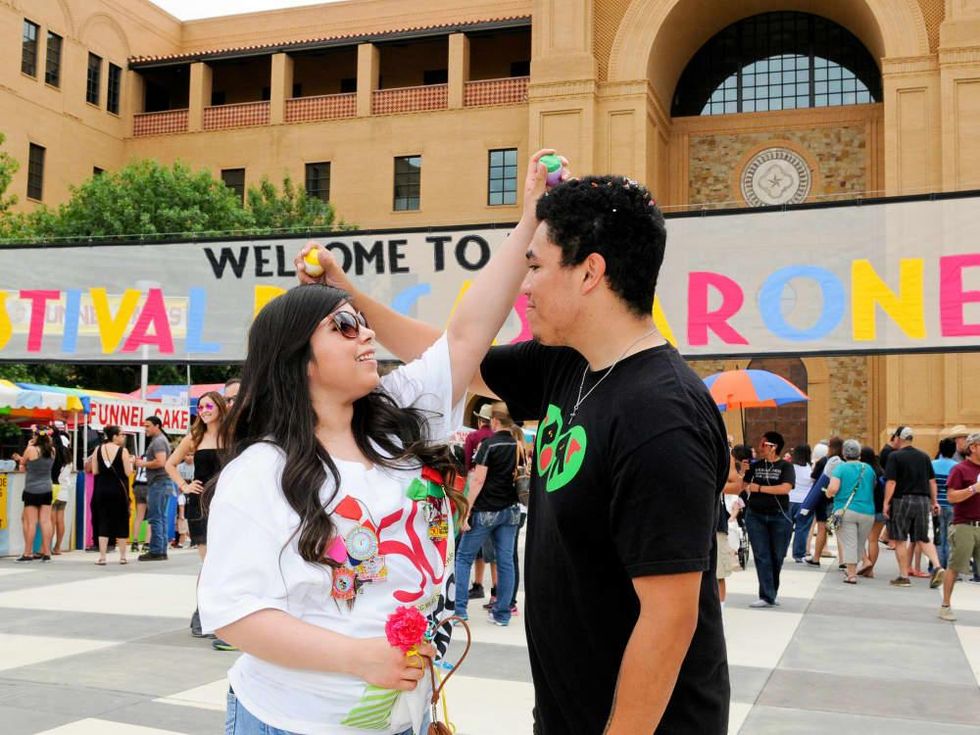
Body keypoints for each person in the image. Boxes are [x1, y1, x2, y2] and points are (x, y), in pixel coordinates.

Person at [300, 171, 731, 733]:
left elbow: (670, 619)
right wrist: (346, 295)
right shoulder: (568, 362)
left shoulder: (661, 416)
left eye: (535, 266)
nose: (524, 288)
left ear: (590, 273)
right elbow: (453, 355)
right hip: (566, 712)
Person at [199, 150, 562, 735]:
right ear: (298, 358)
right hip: (295, 721)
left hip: (405, 717)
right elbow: (234, 615)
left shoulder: (402, 421)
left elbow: (468, 331)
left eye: (360, 321)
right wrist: (359, 657)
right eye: (342, 326)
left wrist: (528, 220)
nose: (366, 333)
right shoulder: (261, 472)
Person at [165, 391, 228, 641]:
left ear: (220, 407)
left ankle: (220, 616)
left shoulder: (234, 433)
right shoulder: (195, 436)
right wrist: (184, 485)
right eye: (200, 406)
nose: (203, 410)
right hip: (201, 504)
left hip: (228, 504)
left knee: (227, 563)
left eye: (208, 405)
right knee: (210, 563)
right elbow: (170, 463)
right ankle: (204, 614)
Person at [454, 401, 521, 626]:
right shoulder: (518, 445)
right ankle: (502, 614)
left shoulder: (488, 445)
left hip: (486, 509)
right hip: (511, 510)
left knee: (463, 558)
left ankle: (460, 611)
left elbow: (478, 480)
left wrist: (466, 510)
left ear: (494, 421)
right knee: (506, 562)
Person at [883, 426, 945, 588]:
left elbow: (891, 482)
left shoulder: (894, 456)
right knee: (922, 537)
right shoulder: (924, 456)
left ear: (898, 438)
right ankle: (937, 566)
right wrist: (934, 501)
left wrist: (886, 503)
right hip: (923, 500)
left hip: (902, 499)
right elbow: (932, 481)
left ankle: (904, 576)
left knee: (900, 539)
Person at [743, 431, 795, 608]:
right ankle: (766, 595)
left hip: (779, 516)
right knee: (761, 555)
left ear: (773, 447)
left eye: (763, 444)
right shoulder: (755, 466)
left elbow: (785, 488)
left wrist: (759, 488)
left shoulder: (786, 467)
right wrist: (743, 471)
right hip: (755, 515)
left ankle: (771, 592)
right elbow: (742, 486)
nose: (760, 447)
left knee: (777, 556)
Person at [939, 433, 980, 621]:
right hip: (964, 524)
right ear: (973, 447)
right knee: (955, 566)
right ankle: (945, 605)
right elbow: (951, 497)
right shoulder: (960, 470)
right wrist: (973, 489)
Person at [826, 440, 875, 584]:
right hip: (868, 511)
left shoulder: (840, 469)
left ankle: (852, 574)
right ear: (859, 453)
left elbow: (833, 489)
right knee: (859, 542)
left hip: (845, 510)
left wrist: (828, 493)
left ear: (843, 453)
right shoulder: (868, 468)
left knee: (849, 543)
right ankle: (859, 565)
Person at [462, 403, 495, 601]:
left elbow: (466, 465)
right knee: (496, 552)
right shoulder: (500, 438)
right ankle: (495, 594)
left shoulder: (473, 437)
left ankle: (475, 586)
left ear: (479, 419)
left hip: (476, 497)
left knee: (468, 551)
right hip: (495, 499)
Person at [90, 426, 133, 565]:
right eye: (121, 435)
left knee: (103, 520)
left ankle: (102, 557)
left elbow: (95, 470)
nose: (124, 437)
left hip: (101, 489)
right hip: (119, 491)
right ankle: (122, 557)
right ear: (114, 436)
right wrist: (131, 463)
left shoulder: (98, 449)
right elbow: (127, 472)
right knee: (121, 520)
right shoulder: (123, 451)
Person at [13, 425, 56, 562]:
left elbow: (23, 464)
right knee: (46, 521)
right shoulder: (52, 451)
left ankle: (28, 553)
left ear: (36, 436)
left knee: (31, 522)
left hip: (31, 489)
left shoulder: (31, 449)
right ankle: (47, 552)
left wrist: (27, 447)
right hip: (47, 489)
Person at [135, 416, 171, 562]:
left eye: (148, 426)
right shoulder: (161, 440)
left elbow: (161, 462)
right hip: (162, 482)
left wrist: (143, 464)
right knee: (160, 517)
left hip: (158, 482)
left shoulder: (158, 442)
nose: (146, 429)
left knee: (155, 517)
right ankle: (161, 550)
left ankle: (156, 550)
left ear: (157, 426)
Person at [806, 437, 843, 566]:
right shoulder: (843, 461)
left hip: (822, 498)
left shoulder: (824, 461)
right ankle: (843, 561)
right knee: (840, 530)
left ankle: (816, 558)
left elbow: (814, 477)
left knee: (821, 528)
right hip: (838, 498)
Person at [857, 446, 886, 578]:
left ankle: (866, 561)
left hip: (866, 508)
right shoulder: (881, 471)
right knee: (873, 540)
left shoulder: (864, 471)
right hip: (881, 509)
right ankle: (870, 569)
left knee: (858, 538)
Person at [933, 438, 958, 570]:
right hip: (952, 505)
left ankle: (938, 566)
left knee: (938, 536)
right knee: (951, 538)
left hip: (936, 504)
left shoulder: (932, 464)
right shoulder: (957, 466)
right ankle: (950, 566)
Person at [50, 422, 73, 555]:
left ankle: (48, 546)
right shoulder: (69, 458)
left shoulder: (55, 456)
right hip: (64, 491)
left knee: (51, 521)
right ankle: (58, 547)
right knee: (60, 520)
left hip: (54, 489)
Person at [789, 444, 813, 562]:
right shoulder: (811, 468)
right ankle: (799, 554)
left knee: (784, 528)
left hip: (788, 500)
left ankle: (780, 551)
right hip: (805, 502)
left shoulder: (790, 467)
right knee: (802, 529)